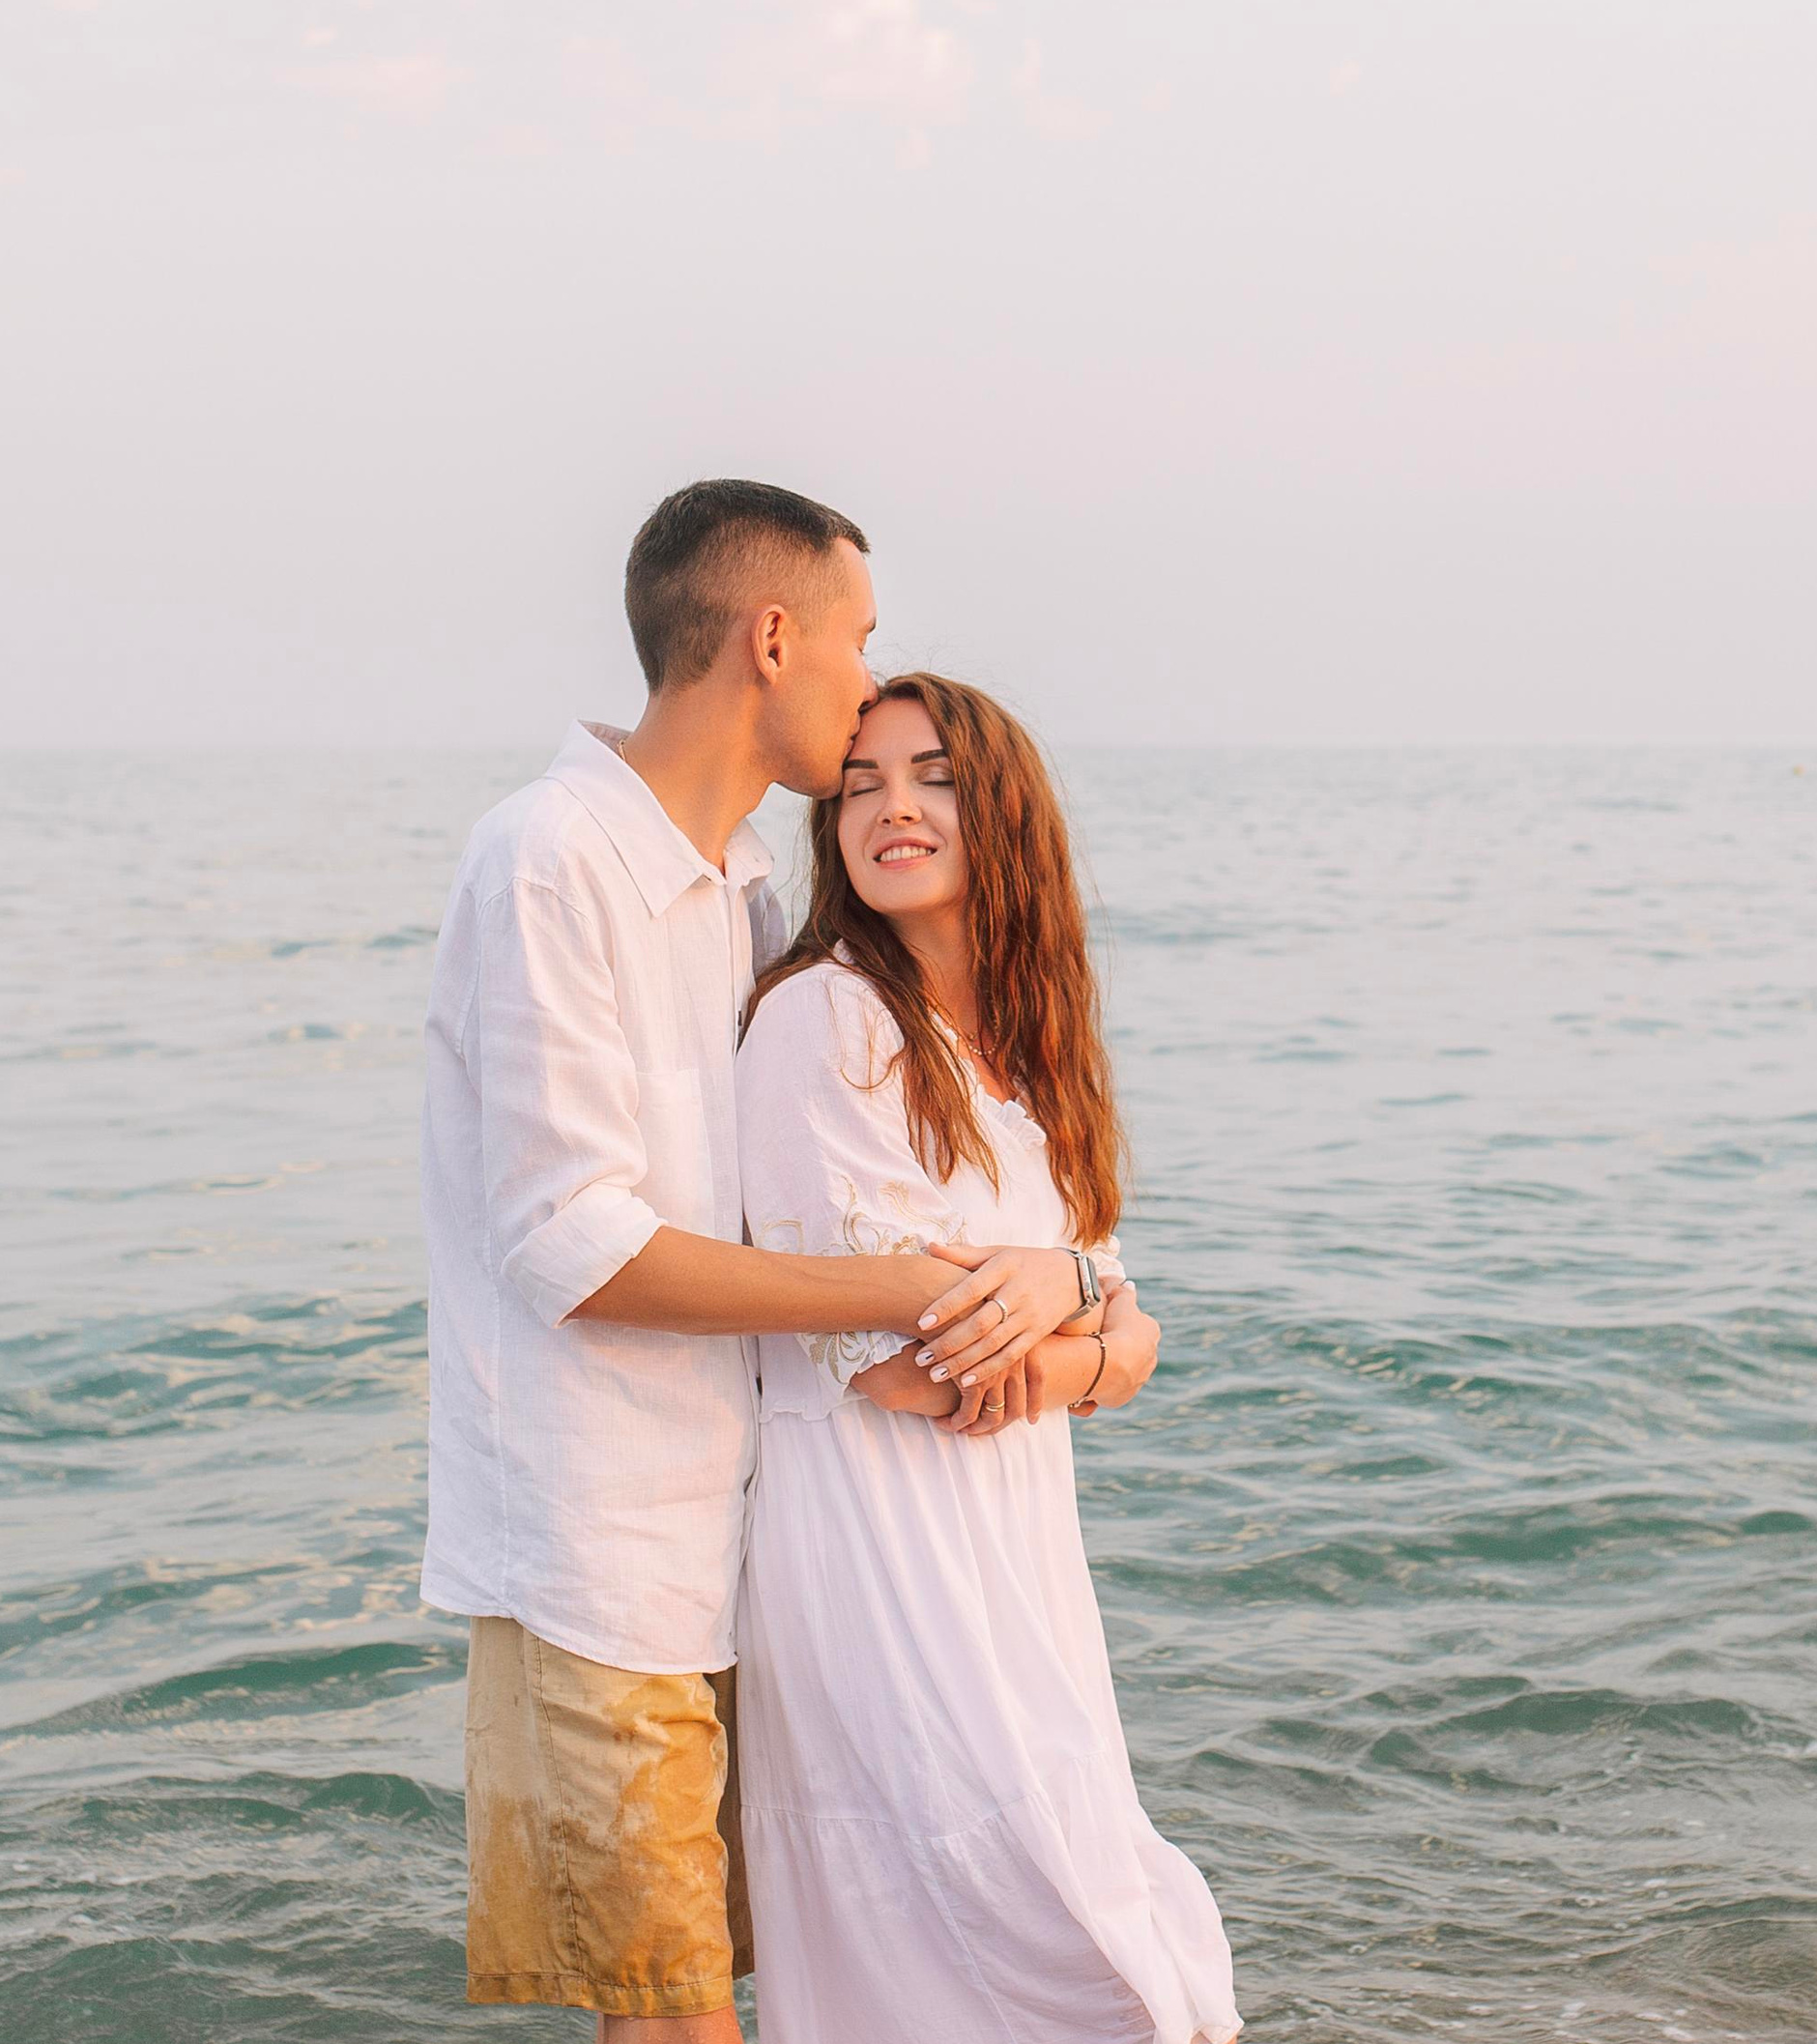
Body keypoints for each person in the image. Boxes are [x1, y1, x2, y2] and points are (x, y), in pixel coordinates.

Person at [418, 483, 1086, 2042]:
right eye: (859, 640)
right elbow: (571, 1244)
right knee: (669, 2012)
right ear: (775, 640)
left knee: (743, 1988)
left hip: (744, 1550)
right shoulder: (549, 859)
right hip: (596, 1555)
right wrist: (921, 1288)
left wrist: (1064, 1285)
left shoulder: (744, 895)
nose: (869, 679)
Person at [733, 672, 1243, 2044]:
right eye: (860, 786)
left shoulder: (1033, 1048)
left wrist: (1072, 1296)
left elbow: (1119, 1306)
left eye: (934, 778)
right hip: (880, 1547)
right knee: (1020, 1940)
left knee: (1083, 1910)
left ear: (1004, 810)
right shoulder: (823, 1020)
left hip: (1016, 1550)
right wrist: (1092, 1331)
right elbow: (903, 1366)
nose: (892, 808)